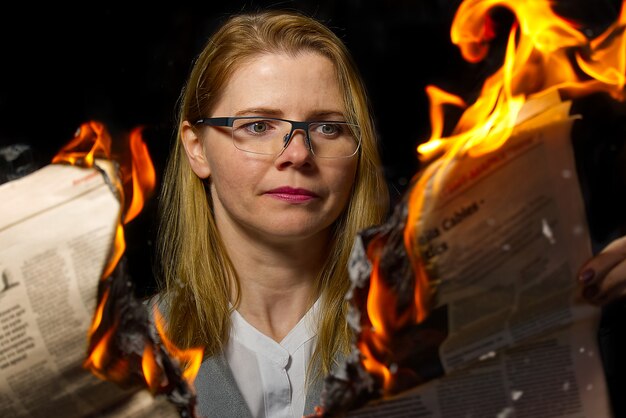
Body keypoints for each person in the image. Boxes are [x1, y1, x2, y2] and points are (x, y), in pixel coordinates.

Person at [154, 9, 390, 418]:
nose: (297, 154)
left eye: (328, 128)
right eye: (259, 126)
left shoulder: (416, 331)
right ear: (196, 148)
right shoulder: (127, 349)